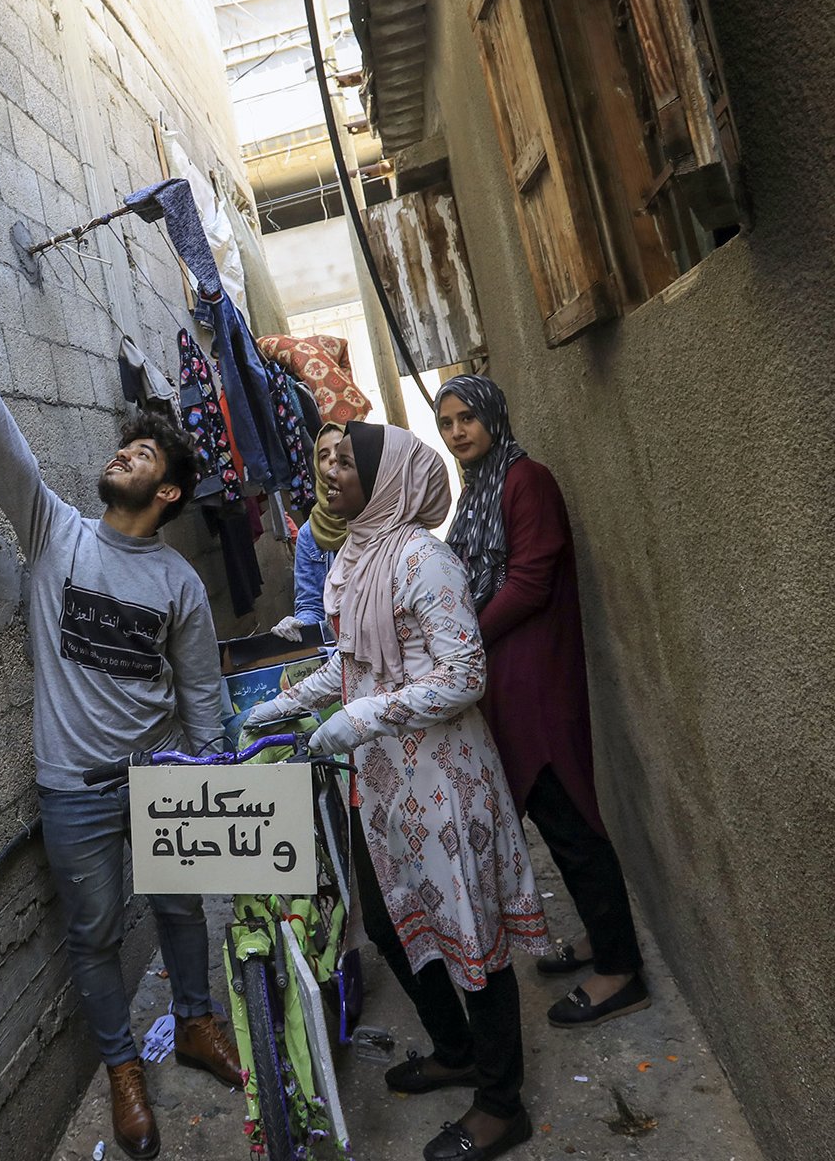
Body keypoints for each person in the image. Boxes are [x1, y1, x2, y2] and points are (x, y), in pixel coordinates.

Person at [0, 333, 240, 1161]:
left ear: (168, 489)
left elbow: (200, 694)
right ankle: (121, 1069)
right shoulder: (55, 535)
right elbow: (10, 458)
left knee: (183, 906)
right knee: (96, 929)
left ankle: (195, 1019)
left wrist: (209, 782)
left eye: (141, 452)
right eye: (126, 444)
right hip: (73, 788)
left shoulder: (178, 584)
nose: (123, 453)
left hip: (159, 776)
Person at [241, 422, 548, 1161]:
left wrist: (361, 715)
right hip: (384, 786)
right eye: (328, 460)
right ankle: (456, 1047)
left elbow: (465, 674)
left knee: (472, 927)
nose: (332, 470)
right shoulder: (353, 557)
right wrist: (285, 702)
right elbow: (351, 668)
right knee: (386, 921)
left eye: (350, 460)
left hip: (444, 780)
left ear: (386, 480)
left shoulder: (422, 558)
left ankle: (503, 1103)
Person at [434, 374, 649, 1028]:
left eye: (467, 416)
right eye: (446, 423)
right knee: (558, 821)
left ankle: (622, 971)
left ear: (494, 416)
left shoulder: (528, 481)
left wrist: (466, 637)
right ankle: (599, 938)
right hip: (507, 673)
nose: (457, 431)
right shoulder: (477, 491)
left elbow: (529, 581)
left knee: (569, 816)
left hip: (537, 674)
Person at [270, 422, 346, 641]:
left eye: (340, 449)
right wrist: (299, 622)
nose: (332, 458)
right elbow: (311, 604)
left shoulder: (376, 519)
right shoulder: (310, 534)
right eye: (323, 455)